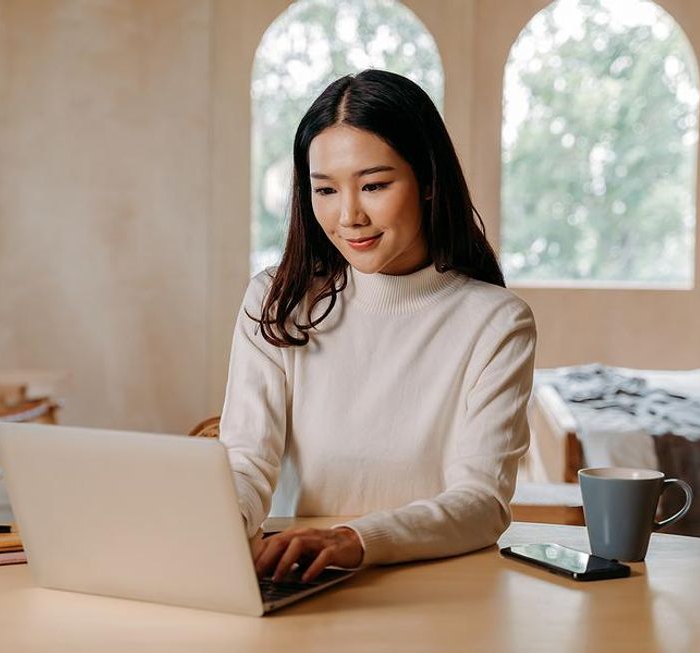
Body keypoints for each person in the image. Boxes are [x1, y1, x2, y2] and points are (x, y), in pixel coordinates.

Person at [220, 69, 536, 583]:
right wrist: (205, 535)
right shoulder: (276, 299)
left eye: (374, 185)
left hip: (431, 585)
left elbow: (482, 503)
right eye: (324, 190)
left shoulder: (496, 323)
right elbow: (244, 464)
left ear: (429, 182)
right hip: (294, 576)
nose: (348, 216)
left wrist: (353, 540)